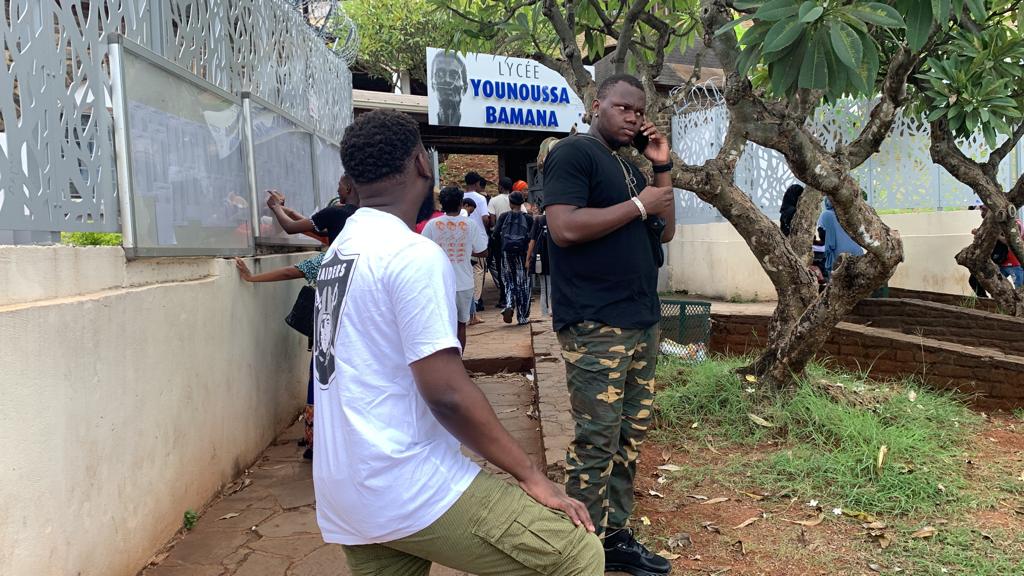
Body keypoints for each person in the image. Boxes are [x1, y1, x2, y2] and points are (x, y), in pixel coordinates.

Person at [314, 109, 601, 576]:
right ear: (422, 164)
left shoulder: (341, 252)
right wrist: (530, 475)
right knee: (577, 555)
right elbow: (446, 393)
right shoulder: (408, 253)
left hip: (346, 491)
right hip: (403, 482)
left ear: (351, 179)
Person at [542, 73, 676, 575]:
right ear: (596, 105)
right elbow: (564, 226)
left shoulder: (627, 165)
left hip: (639, 320)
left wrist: (660, 169)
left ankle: (615, 535)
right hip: (596, 322)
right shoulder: (574, 154)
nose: (634, 118)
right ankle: (577, 551)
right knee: (597, 438)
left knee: (629, 435)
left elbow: (665, 233)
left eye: (639, 112)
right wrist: (642, 203)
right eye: (624, 108)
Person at [421, 186, 489, 350]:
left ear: (442, 204)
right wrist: (466, 250)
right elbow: (483, 252)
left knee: (442, 327)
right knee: (461, 326)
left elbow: (421, 251)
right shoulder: (470, 225)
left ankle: (445, 364)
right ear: (461, 203)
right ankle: (459, 361)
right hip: (464, 283)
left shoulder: (432, 225)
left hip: (439, 284)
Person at [493, 192, 534, 325]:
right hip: (523, 253)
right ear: (522, 202)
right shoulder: (528, 218)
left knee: (509, 281)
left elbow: (495, 234)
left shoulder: (504, 216)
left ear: (510, 203)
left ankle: (509, 304)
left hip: (507, 253)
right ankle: (522, 317)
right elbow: (533, 237)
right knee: (523, 283)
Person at [817, 198, 865, 280]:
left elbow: (827, 244)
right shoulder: (849, 215)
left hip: (840, 259)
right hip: (858, 254)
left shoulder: (826, 215)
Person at [464, 172, 491, 310]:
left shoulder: (460, 197)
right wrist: (487, 229)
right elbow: (485, 218)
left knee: (465, 269)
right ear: (476, 183)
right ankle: (476, 300)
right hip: (478, 237)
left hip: (462, 236)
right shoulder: (480, 198)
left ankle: (468, 300)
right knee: (478, 269)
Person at [487, 177, 514, 308]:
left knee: (501, 267)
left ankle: (504, 298)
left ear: (501, 187)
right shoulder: (515, 199)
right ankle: (515, 295)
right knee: (514, 266)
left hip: (500, 239)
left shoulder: (493, 200)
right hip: (515, 237)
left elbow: (492, 221)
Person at [525, 206, 551, 318]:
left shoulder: (539, 220)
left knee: (545, 287)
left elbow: (532, 241)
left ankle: (545, 313)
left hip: (542, 258)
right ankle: (549, 312)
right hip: (554, 258)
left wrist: (528, 259)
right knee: (551, 287)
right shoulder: (558, 218)